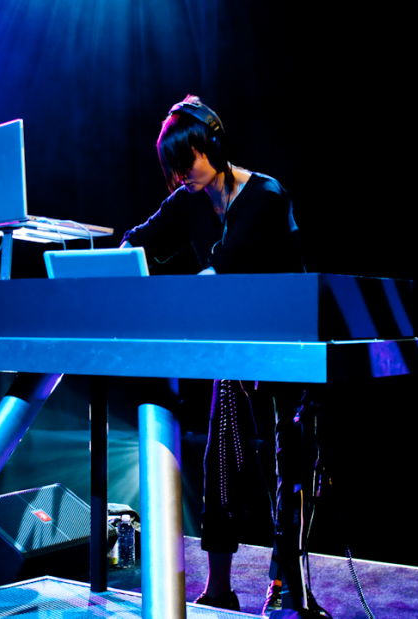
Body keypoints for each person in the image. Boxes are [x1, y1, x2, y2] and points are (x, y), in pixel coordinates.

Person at [122, 95, 325, 617]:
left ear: (212, 146)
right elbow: (139, 243)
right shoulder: (188, 201)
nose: (182, 175)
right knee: (221, 463)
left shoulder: (265, 197)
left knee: (290, 466)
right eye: (174, 166)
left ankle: (286, 585)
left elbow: (224, 270)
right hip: (233, 351)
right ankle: (219, 587)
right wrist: (113, 266)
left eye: (187, 161)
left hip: (286, 349)